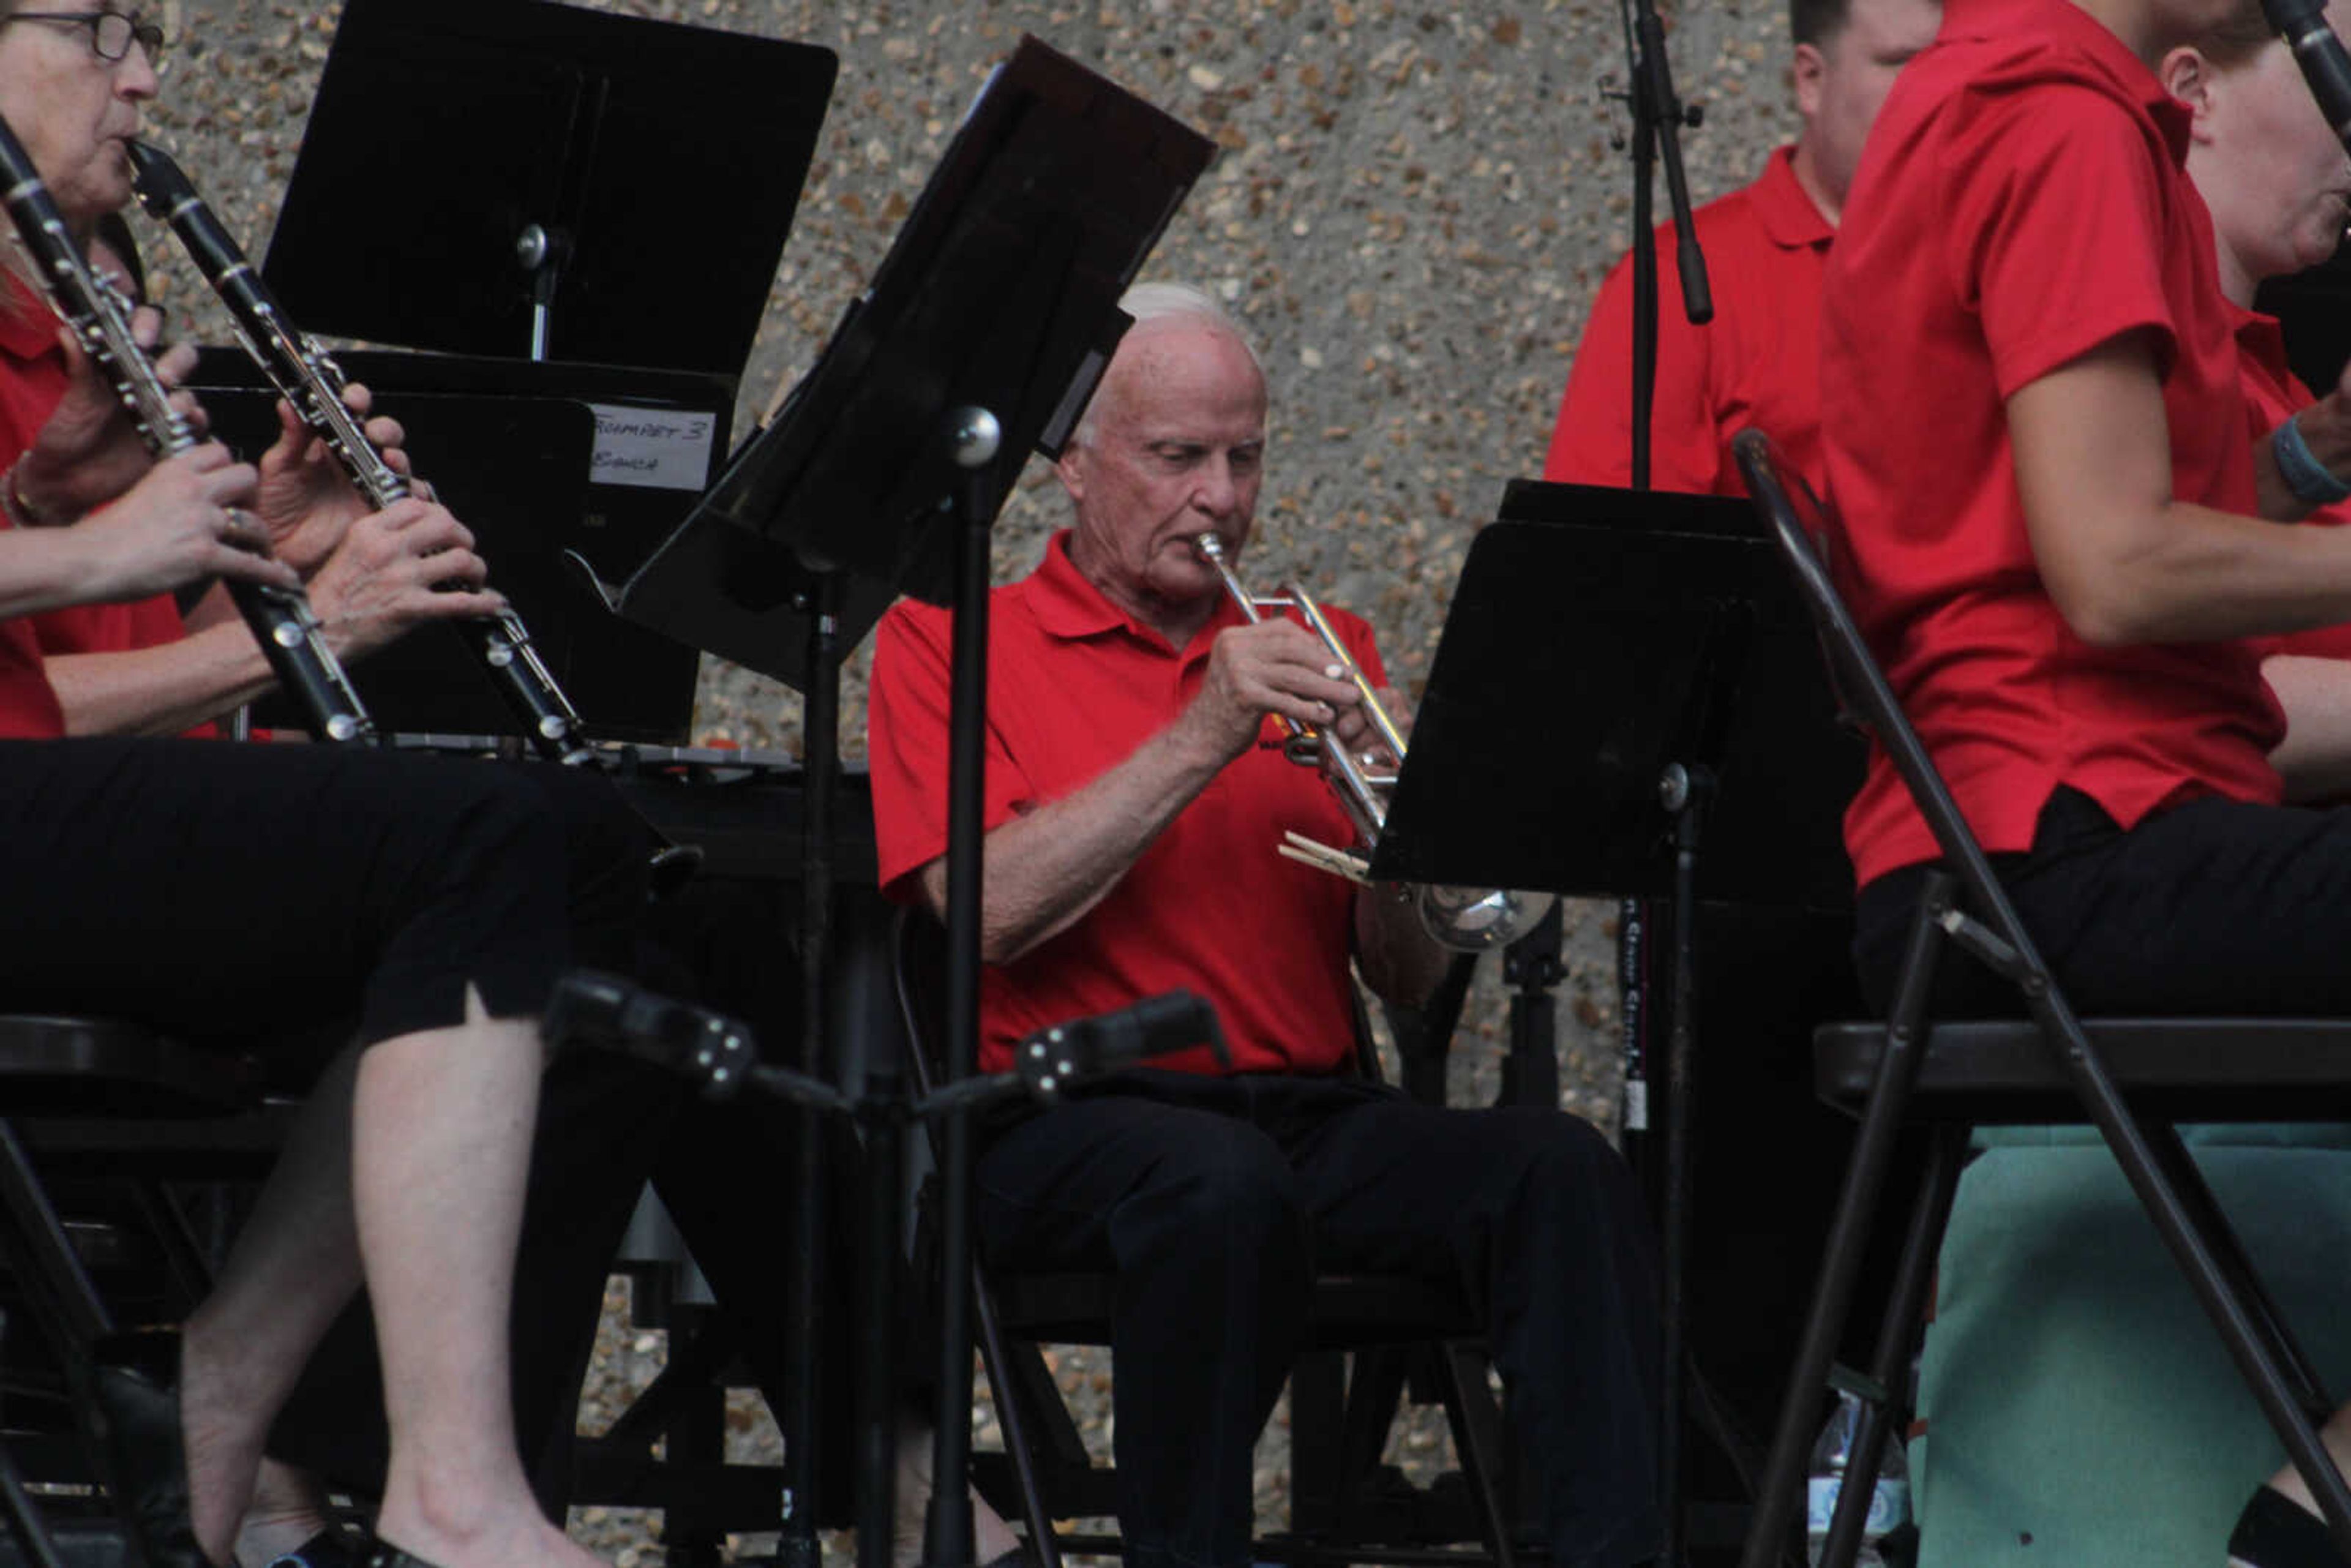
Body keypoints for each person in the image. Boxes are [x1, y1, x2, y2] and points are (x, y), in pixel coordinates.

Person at [866, 282, 1663, 1568]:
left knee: (1559, 1170)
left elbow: (1402, 976)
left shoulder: (1320, 643)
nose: (1223, 496)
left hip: (1304, 1113)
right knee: (1215, 1187)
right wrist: (1204, 732)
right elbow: (984, 910)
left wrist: (1404, 852)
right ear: (1074, 464)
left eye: (1245, 456)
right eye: (1179, 456)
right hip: (1054, 1119)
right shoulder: (949, 641)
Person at [0, 12, 623, 1568]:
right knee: (483, 838)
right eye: (94, 30)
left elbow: (92, 681)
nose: (139, 77)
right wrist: (96, 550)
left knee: (613, 918)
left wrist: (287, 559)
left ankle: (240, 1401)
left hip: (56, 813)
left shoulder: (77, 319)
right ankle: (444, 1483)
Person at [1814, 0, 2351, 1558]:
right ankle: (2306, 1522)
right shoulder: (2060, 121)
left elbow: (2036, 508)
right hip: (2055, 850)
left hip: (2015, 847)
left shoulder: (1987, 92)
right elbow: (2109, 569)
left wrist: (2306, 462)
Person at [1543, 0, 1939, 494]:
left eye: (1961, 64)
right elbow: (1610, 554)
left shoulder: (2008, 253)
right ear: (1811, 80)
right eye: (1905, 63)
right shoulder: (1678, 280)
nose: (1946, 92)